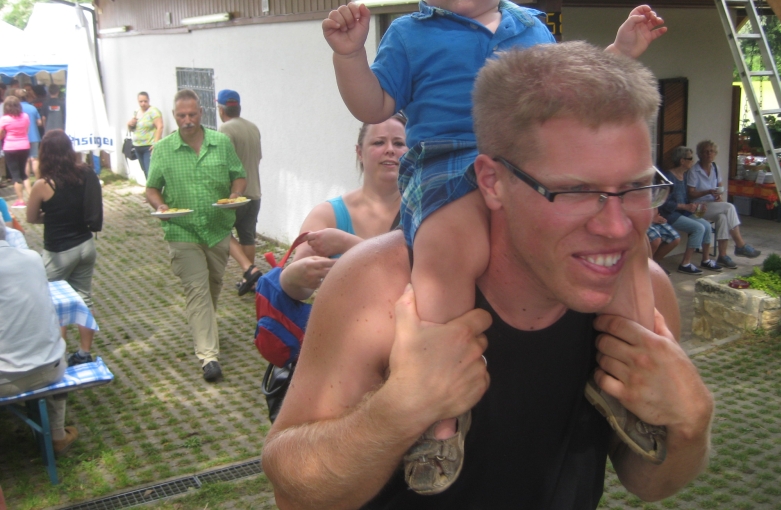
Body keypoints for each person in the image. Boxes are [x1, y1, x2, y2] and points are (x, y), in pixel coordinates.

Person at [262, 42, 713, 509]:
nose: (618, 228)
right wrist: (398, 410)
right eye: (576, 192)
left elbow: (648, 482)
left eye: (637, 187)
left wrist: (691, 422)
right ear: (493, 182)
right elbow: (294, 496)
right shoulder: (378, 284)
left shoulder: (645, 293)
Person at [322, 0, 667, 490]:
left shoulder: (533, 28)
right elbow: (374, 106)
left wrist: (621, 51)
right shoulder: (409, 35)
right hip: (447, 160)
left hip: (527, 161)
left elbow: (569, 95)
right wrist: (349, 55)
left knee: (629, 242)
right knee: (447, 246)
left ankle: (631, 384)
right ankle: (440, 412)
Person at [145, 89, 246, 382]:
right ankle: (209, 357)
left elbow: (238, 175)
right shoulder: (163, 149)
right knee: (197, 290)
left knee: (213, 286)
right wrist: (160, 205)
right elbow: (152, 188)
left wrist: (235, 194)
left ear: (201, 113)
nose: (187, 120)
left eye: (192, 114)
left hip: (217, 228)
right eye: (181, 116)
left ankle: (205, 331)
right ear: (174, 116)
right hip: (182, 230)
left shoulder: (221, 142)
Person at [279, 115, 408, 302]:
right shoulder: (327, 215)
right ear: (359, 152)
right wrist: (289, 277)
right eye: (379, 142)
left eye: (399, 143)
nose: (390, 149)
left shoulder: (425, 213)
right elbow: (301, 289)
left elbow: (414, 274)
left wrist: (345, 243)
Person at [0, 222, 79, 454]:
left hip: (5, 381)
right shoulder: (32, 258)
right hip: (50, 368)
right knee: (50, 343)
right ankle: (57, 434)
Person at [26, 129, 103, 366]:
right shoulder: (84, 175)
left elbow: (30, 217)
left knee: (53, 301)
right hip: (85, 245)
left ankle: (58, 354)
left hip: (59, 251)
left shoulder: (42, 185)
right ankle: (84, 352)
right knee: (84, 298)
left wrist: (52, 217)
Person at [216, 89, 264, 295]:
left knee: (219, 231)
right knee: (247, 236)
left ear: (221, 109)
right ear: (238, 108)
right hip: (254, 192)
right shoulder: (253, 127)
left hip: (234, 195)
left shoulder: (225, 130)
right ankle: (249, 280)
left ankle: (248, 269)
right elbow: (258, 158)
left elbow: (222, 164)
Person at [687, 139, 761, 268]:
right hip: (698, 207)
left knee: (723, 217)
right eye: (705, 152)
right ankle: (740, 244)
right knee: (729, 207)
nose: (709, 154)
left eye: (711, 151)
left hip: (712, 205)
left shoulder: (715, 168)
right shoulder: (694, 171)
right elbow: (690, 194)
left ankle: (722, 255)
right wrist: (707, 191)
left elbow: (719, 187)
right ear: (700, 154)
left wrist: (718, 195)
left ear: (715, 153)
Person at [660, 146, 721, 275]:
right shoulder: (668, 177)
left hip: (683, 212)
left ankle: (706, 259)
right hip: (670, 214)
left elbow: (685, 197)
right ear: (682, 161)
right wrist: (684, 206)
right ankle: (685, 264)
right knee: (698, 228)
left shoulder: (684, 176)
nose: (692, 161)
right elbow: (663, 202)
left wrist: (695, 206)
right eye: (690, 158)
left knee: (706, 226)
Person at [0, 96, 31, 207]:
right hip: (24, 146)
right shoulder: (25, 116)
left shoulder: (5, 119)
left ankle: (20, 200)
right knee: (24, 175)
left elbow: (0, 134)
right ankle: (32, 196)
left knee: (15, 175)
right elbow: (26, 131)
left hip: (10, 147)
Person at [127, 91, 163, 177]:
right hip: (137, 146)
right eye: (141, 101)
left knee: (150, 171)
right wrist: (130, 124)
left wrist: (156, 144)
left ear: (149, 100)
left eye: (145, 101)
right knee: (144, 171)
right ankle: (149, 185)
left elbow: (160, 127)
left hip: (149, 146)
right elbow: (132, 129)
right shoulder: (136, 111)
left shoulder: (153, 111)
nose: (143, 104)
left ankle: (153, 186)